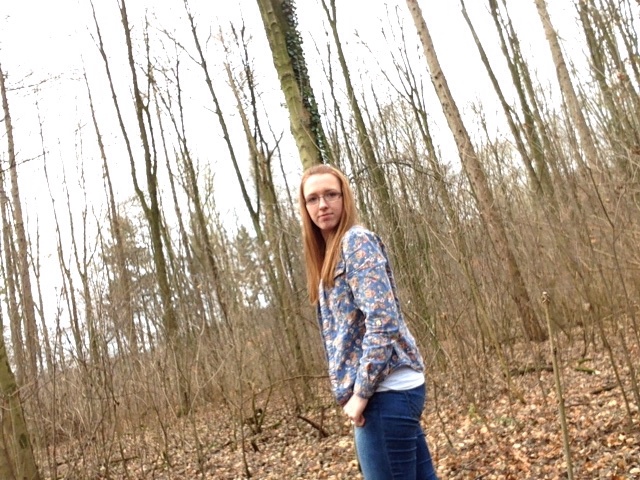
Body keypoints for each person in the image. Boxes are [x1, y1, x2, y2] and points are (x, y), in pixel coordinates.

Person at [299, 164, 438, 480]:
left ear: (345, 198)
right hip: (391, 392)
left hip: (385, 393)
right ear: (305, 207)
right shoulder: (330, 253)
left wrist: (360, 394)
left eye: (331, 195)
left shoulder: (355, 242)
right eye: (313, 198)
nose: (323, 204)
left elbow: (383, 320)